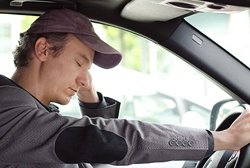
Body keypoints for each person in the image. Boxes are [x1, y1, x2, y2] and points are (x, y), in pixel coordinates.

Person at [0, 8, 250, 168]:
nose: (83, 78)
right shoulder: (9, 114)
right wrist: (220, 139)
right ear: (43, 49)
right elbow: (106, 140)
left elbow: (89, 153)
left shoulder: (32, 112)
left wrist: (91, 102)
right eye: (79, 63)